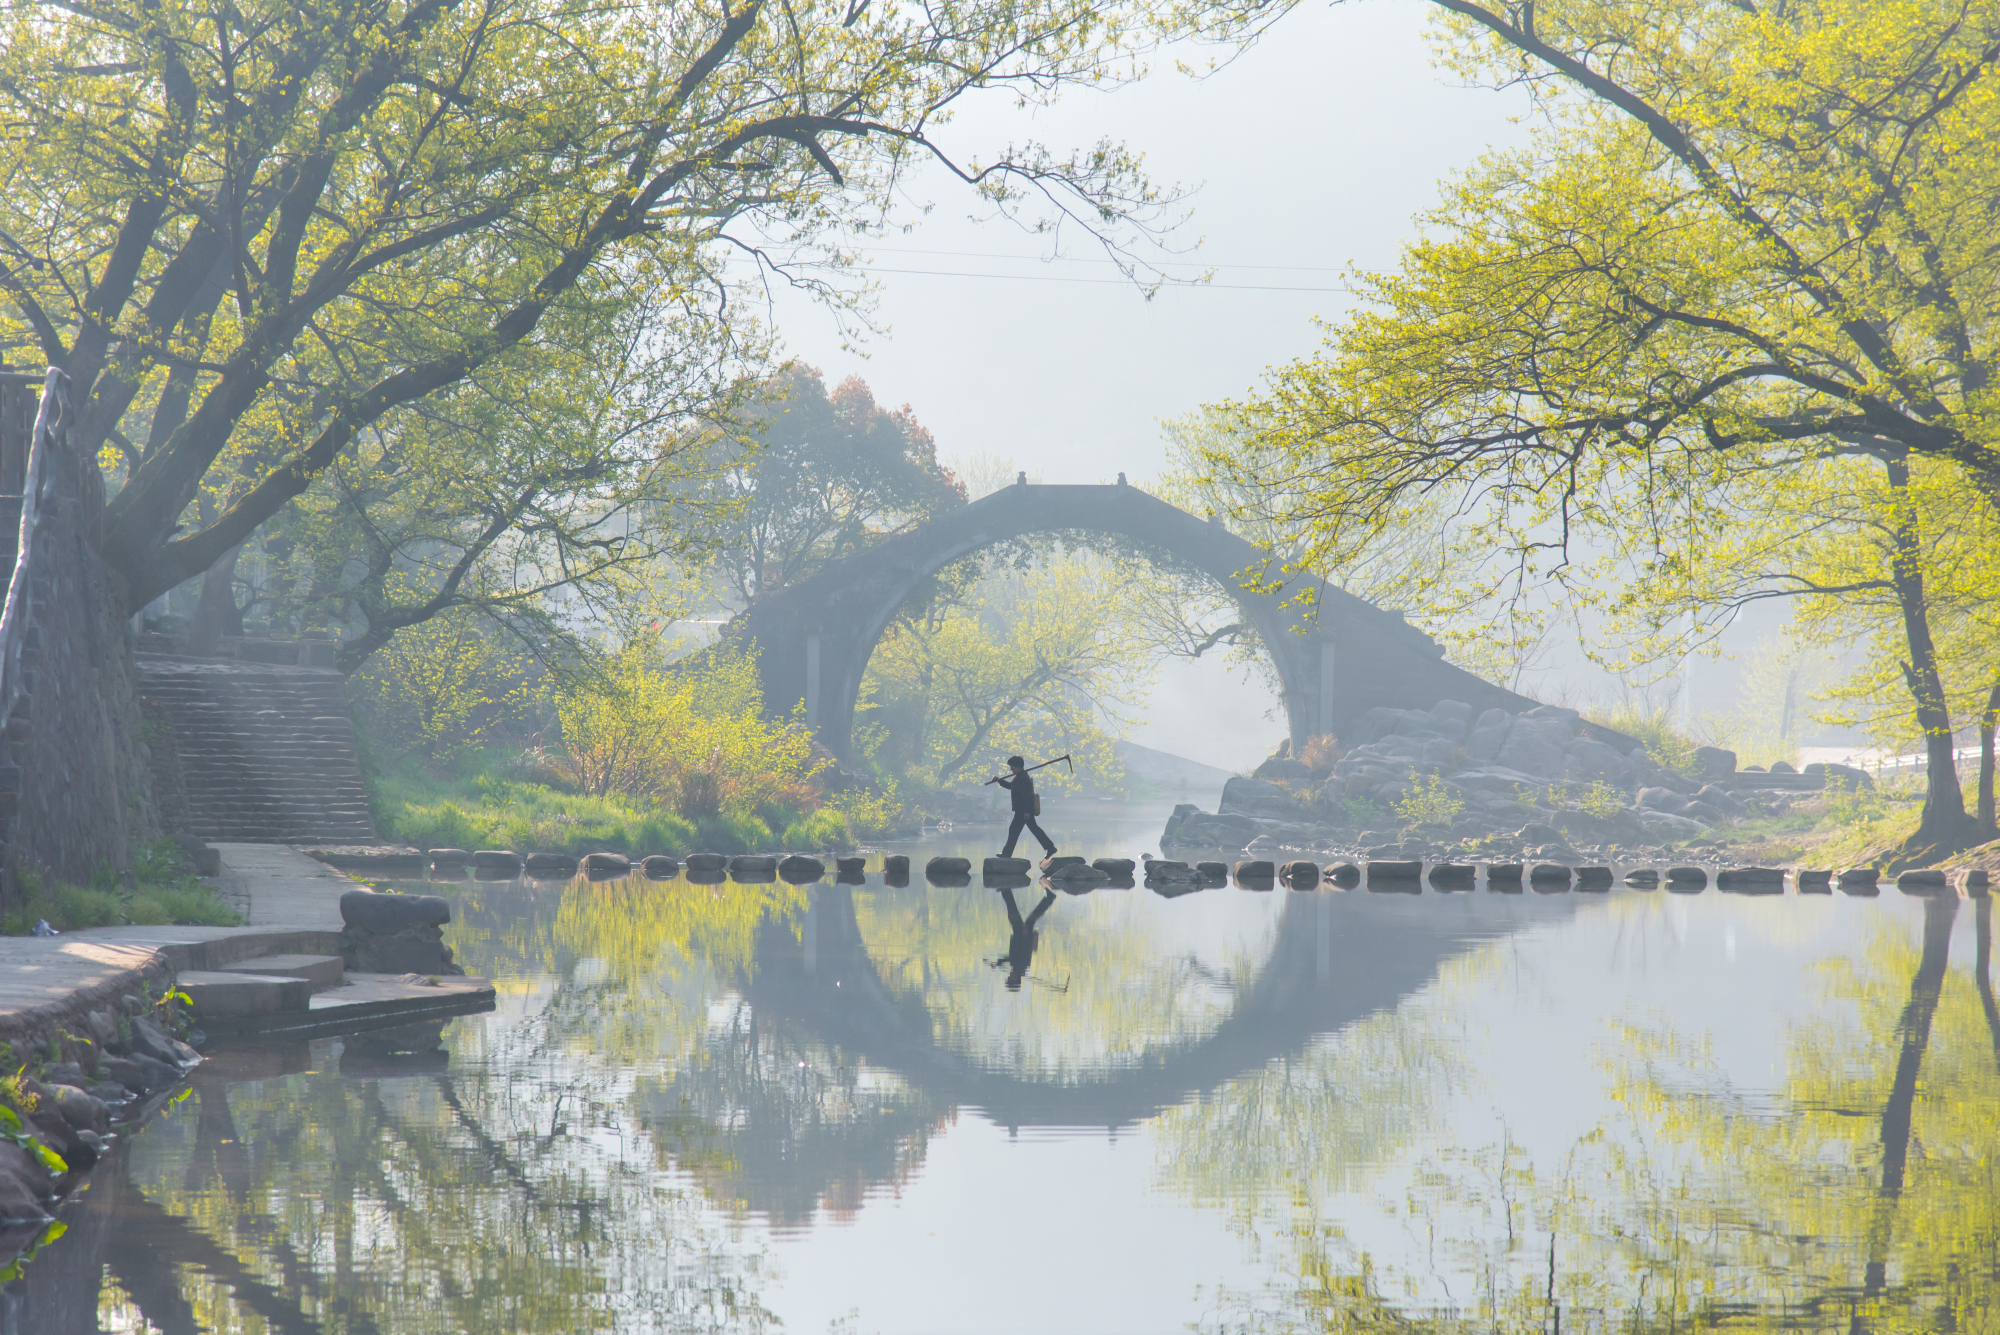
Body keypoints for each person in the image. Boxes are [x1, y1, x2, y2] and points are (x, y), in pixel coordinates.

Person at [991, 886, 1057, 991]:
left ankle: (1049, 899)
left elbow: (1011, 957)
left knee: (1020, 915)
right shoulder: (1020, 965)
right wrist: (1026, 935)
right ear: (1015, 978)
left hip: (1019, 935)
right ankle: (1006, 891)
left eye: (1008, 978)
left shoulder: (1018, 967)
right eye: (1010, 978)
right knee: (1015, 914)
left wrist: (999, 962)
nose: (1009, 976)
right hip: (1022, 936)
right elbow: (1026, 949)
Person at [993, 755, 1057, 859]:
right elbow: (1010, 786)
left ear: (1018, 766)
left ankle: (1007, 854)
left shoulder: (1023, 779)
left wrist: (1027, 812)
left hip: (1023, 811)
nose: (1011, 769)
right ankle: (1050, 847)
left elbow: (1027, 797)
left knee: (1014, 829)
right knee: (1033, 829)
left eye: (1012, 766)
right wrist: (999, 781)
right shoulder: (1019, 777)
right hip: (1022, 810)